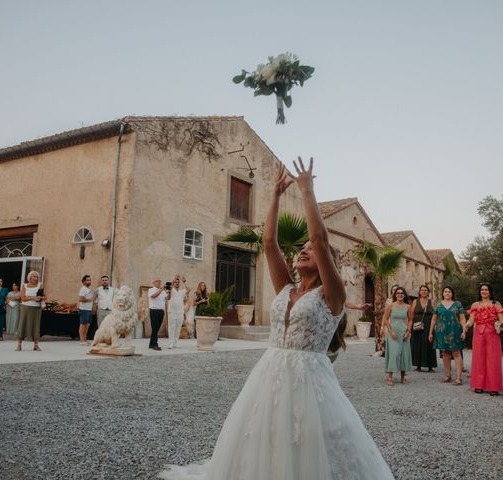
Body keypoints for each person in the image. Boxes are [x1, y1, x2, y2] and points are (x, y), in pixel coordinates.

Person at [158, 158, 393, 479]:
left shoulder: (331, 295)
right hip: (270, 372)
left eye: (311, 250)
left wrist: (308, 190)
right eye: (302, 248)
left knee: (308, 443)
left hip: (310, 380)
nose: (305, 250)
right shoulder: (286, 286)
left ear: (328, 265)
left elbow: (322, 240)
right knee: (263, 436)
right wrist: (275, 196)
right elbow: (268, 243)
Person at [464, 283, 503, 396]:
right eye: (482, 290)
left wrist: (499, 323)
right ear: (479, 292)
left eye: (486, 290)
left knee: (493, 359)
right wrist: (467, 325)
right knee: (479, 358)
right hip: (478, 334)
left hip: (492, 333)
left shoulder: (496, 304)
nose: (484, 291)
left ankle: (494, 387)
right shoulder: (475, 304)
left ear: (490, 292)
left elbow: (502, 319)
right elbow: (472, 319)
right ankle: (478, 385)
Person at [428, 286, 467, 386]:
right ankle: (447, 375)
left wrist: (464, 331)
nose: (447, 293)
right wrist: (430, 332)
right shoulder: (438, 304)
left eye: (449, 291)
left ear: (452, 294)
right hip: (441, 331)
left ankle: (458, 378)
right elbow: (433, 319)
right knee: (445, 353)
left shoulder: (458, 304)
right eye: (445, 291)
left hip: (455, 331)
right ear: (443, 293)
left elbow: (462, 318)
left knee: (456, 353)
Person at [382, 286, 413, 385]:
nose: (400, 295)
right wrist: (390, 332)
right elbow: (386, 319)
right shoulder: (390, 306)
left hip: (404, 332)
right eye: (398, 293)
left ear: (404, 295)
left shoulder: (408, 306)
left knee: (404, 354)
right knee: (393, 354)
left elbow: (411, 320)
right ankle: (390, 377)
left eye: (402, 293)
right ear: (395, 295)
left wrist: (408, 332)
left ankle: (403, 377)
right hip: (393, 333)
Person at [17, 271, 46, 351]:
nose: (36, 278)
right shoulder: (25, 285)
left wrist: (40, 298)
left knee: (36, 326)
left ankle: (36, 345)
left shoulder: (40, 285)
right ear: (29, 277)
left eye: (37, 277)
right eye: (34, 276)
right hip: (25, 308)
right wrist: (32, 298)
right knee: (22, 324)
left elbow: (44, 297)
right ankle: (19, 345)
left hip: (36, 308)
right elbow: (22, 298)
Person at [410, 284, 436, 372]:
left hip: (429, 325)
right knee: (417, 344)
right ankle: (418, 365)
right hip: (417, 325)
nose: (424, 292)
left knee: (429, 344)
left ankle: (430, 366)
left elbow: (434, 315)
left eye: (425, 290)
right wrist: (410, 326)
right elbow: (411, 314)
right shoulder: (415, 301)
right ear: (419, 292)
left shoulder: (431, 302)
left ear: (428, 292)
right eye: (422, 290)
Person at [166, 275, 187, 349]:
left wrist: (184, 282)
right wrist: (174, 279)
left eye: (178, 282)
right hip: (172, 312)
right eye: (176, 282)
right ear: (174, 284)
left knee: (178, 328)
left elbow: (189, 289)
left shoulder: (182, 292)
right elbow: (169, 287)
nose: (177, 283)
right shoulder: (171, 290)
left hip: (180, 312)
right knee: (172, 327)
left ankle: (175, 342)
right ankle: (171, 343)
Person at [148, 279, 166, 351]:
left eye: (160, 281)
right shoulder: (151, 290)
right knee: (155, 328)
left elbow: (168, 298)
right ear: (154, 282)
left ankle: (151, 344)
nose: (159, 282)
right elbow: (153, 296)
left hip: (161, 311)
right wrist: (161, 290)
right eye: (157, 281)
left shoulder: (163, 291)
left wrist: (169, 292)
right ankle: (155, 344)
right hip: (154, 310)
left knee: (156, 328)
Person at [78, 275, 94, 345]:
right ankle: (81, 341)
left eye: (90, 280)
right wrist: (89, 300)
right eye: (87, 280)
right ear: (84, 281)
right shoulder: (83, 289)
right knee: (83, 325)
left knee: (87, 325)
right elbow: (80, 299)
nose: (89, 281)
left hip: (89, 309)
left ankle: (85, 339)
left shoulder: (89, 289)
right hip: (84, 309)